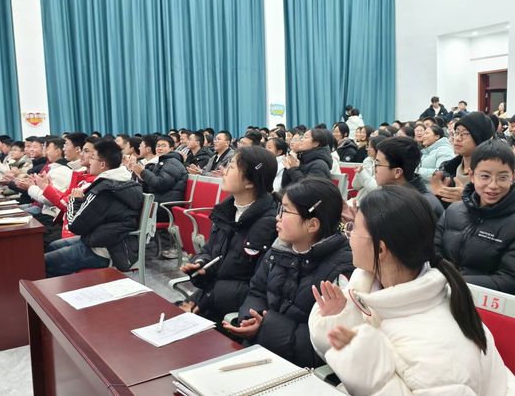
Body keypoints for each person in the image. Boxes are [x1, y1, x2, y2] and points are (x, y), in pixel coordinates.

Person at [308, 185, 514, 395]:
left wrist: (367, 369)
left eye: (353, 229)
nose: (348, 236)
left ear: (380, 249)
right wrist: (339, 320)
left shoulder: (440, 349)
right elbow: (353, 350)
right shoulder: (367, 286)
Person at [223, 178, 353, 367]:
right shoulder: (280, 248)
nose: (278, 217)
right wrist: (251, 318)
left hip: (299, 370)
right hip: (261, 352)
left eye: (285, 211)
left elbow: (323, 343)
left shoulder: (342, 270)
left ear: (312, 225)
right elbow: (256, 292)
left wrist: (265, 326)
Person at [179, 147, 279, 323]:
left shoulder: (270, 225)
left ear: (249, 182)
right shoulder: (226, 211)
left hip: (234, 313)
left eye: (231, 167)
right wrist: (201, 264)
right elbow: (210, 251)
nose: (223, 171)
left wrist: (207, 300)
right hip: (210, 298)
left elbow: (259, 287)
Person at [44, 141, 143, 277]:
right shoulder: (126, 182)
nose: (89, 161)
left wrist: (74, 200)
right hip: (111, 241)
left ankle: (66, 287)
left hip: (103, 250)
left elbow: (75, 226)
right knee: (53, 246)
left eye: (92, 157)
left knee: (43, 262)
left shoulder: (103, 190)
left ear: (102, 164)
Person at [436, 140, 515, 294]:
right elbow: (434, 252)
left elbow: (509, 279)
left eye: (502, 177)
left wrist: (453, 281)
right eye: (485, 176)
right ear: (471, 175)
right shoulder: (453, 210)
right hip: (442, 294)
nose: (493, 185)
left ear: (513, 177)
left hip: (481, 302)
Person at [432, 112, 495, 205]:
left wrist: (466, 199)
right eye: (456, 133)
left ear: (481, 138)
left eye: (465, 134)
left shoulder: (493, 174)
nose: (457, 138)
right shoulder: (447, 168)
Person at [375, 136, 444, 219]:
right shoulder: (392, 194)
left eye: (377, 164)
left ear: (397, 172)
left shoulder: (420, 206)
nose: (374, 169)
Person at [132, 135, 188, 223]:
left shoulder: (173, 163)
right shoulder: (163, 162)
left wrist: (143, 172)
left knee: (128, 212)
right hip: (157, 202)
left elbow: (160, 184)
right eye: (158, 146)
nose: (160, 148)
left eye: (163, 146)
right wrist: (140, 175)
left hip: (165, 207)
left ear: (171, 148)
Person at [349, 135, 385, 207]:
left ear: (378, 149)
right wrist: (359, 173)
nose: (367, 149)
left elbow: (373, 189)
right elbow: (355, 186)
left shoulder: (383, 165)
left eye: (370, 147)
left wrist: (362, 173)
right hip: (360, 200)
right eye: (367, 146)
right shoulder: (368, 161)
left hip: (373, 203)